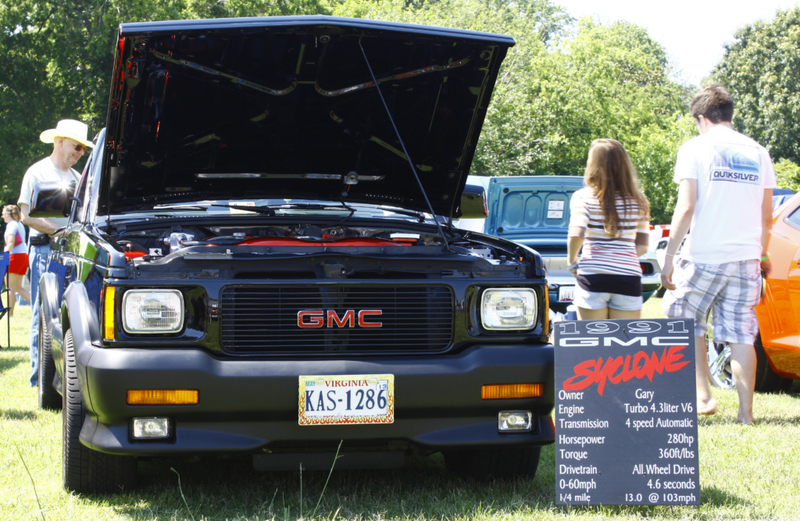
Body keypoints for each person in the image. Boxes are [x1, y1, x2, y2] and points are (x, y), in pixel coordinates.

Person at [660, 84, 775, 425]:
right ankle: (745, 414)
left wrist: (668, 256)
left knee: (683, 316)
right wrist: (761, 254)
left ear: (701, 118)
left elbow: (687, 205)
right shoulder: (759, 152)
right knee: (741, 333)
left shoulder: (695, 148)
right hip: (747, 255)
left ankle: (704, 396)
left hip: (706, 253)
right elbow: (767, 215)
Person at [18, 119, 93, 387]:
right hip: (43, 250)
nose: (80, 153)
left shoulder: (77, 179)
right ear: (59, 141)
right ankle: (39, 379)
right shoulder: (36, 173)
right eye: (77, 147)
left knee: (67, 313)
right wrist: (57, 232)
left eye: (84, 150)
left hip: (69, 253)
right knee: (43, 313)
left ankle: (63, 378)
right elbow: (26, 216)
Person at [567, 138, 651, 320]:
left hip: (593, 276)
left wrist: (572, 261)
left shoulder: (583, 197)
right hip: (628, 277)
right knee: (624, 342)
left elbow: (576, 234)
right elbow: (643, 246)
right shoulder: (639, 200)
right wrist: (621, 258)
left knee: (592, 340)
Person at [3, 204, 31, 316]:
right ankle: (38, 306)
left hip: (15, 256)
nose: (2, 216)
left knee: (9, 287)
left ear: (7, 214)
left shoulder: (11, 225)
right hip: (23, 256)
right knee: (18, 288)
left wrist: (5, 256)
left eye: (3, 214)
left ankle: (9, 314)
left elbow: (11, 242)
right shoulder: (19, 224)